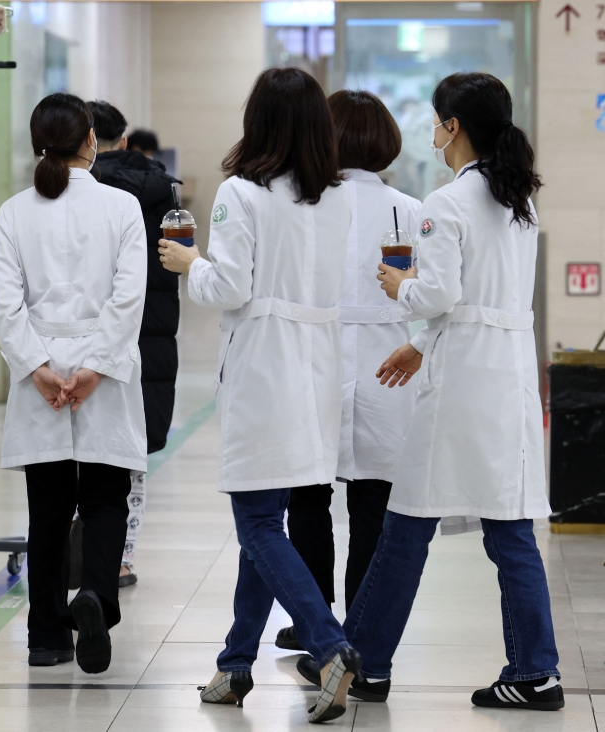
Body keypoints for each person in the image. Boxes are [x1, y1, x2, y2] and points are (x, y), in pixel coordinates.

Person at [330, 72, 563, 711]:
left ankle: (365, 664)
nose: (432, 132)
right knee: (508, 525)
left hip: (461, 381)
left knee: (408, 521)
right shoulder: (518, 198)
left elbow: (439, 296)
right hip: (505, 373)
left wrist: (395, 285)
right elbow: (485, 301)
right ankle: (534, 668)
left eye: (437, 120)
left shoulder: (446, 203)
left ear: (453, 127)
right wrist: (424, 335)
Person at [158, 68, 360, 722]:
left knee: (256, 522)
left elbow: (230, 289)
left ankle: (329, 646)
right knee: (267, 518)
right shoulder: (336, 199)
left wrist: (190, 264)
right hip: (316, 368)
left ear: (259, 121)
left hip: (264, 368)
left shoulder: (240, 193)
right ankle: (234, 664)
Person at [0, 93, 147, 675]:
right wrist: (95, 370)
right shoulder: (122, 207)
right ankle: (96, 600)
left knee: (47, 509)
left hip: (43, 379)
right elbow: (129, 296)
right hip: (102, 375)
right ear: (90, 141)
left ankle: (46, 636)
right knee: (107, 501)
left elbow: (5, 305)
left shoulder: (14, 211)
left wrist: (40, 370)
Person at [276, 91, 422, 674]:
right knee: (375, 501)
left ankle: (316, 622)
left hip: (319, 353)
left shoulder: (304, 203)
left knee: (308, 494)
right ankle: (362, 626)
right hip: (392, 357)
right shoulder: (410, 209)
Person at [80, 100, 181, 588]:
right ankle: (119, 558)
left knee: (76, 452)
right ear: (123, 140)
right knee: (130, 453)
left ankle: (74, 554)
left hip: (79, 334)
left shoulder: (68, 189)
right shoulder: (159, 190)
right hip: (147, 332)